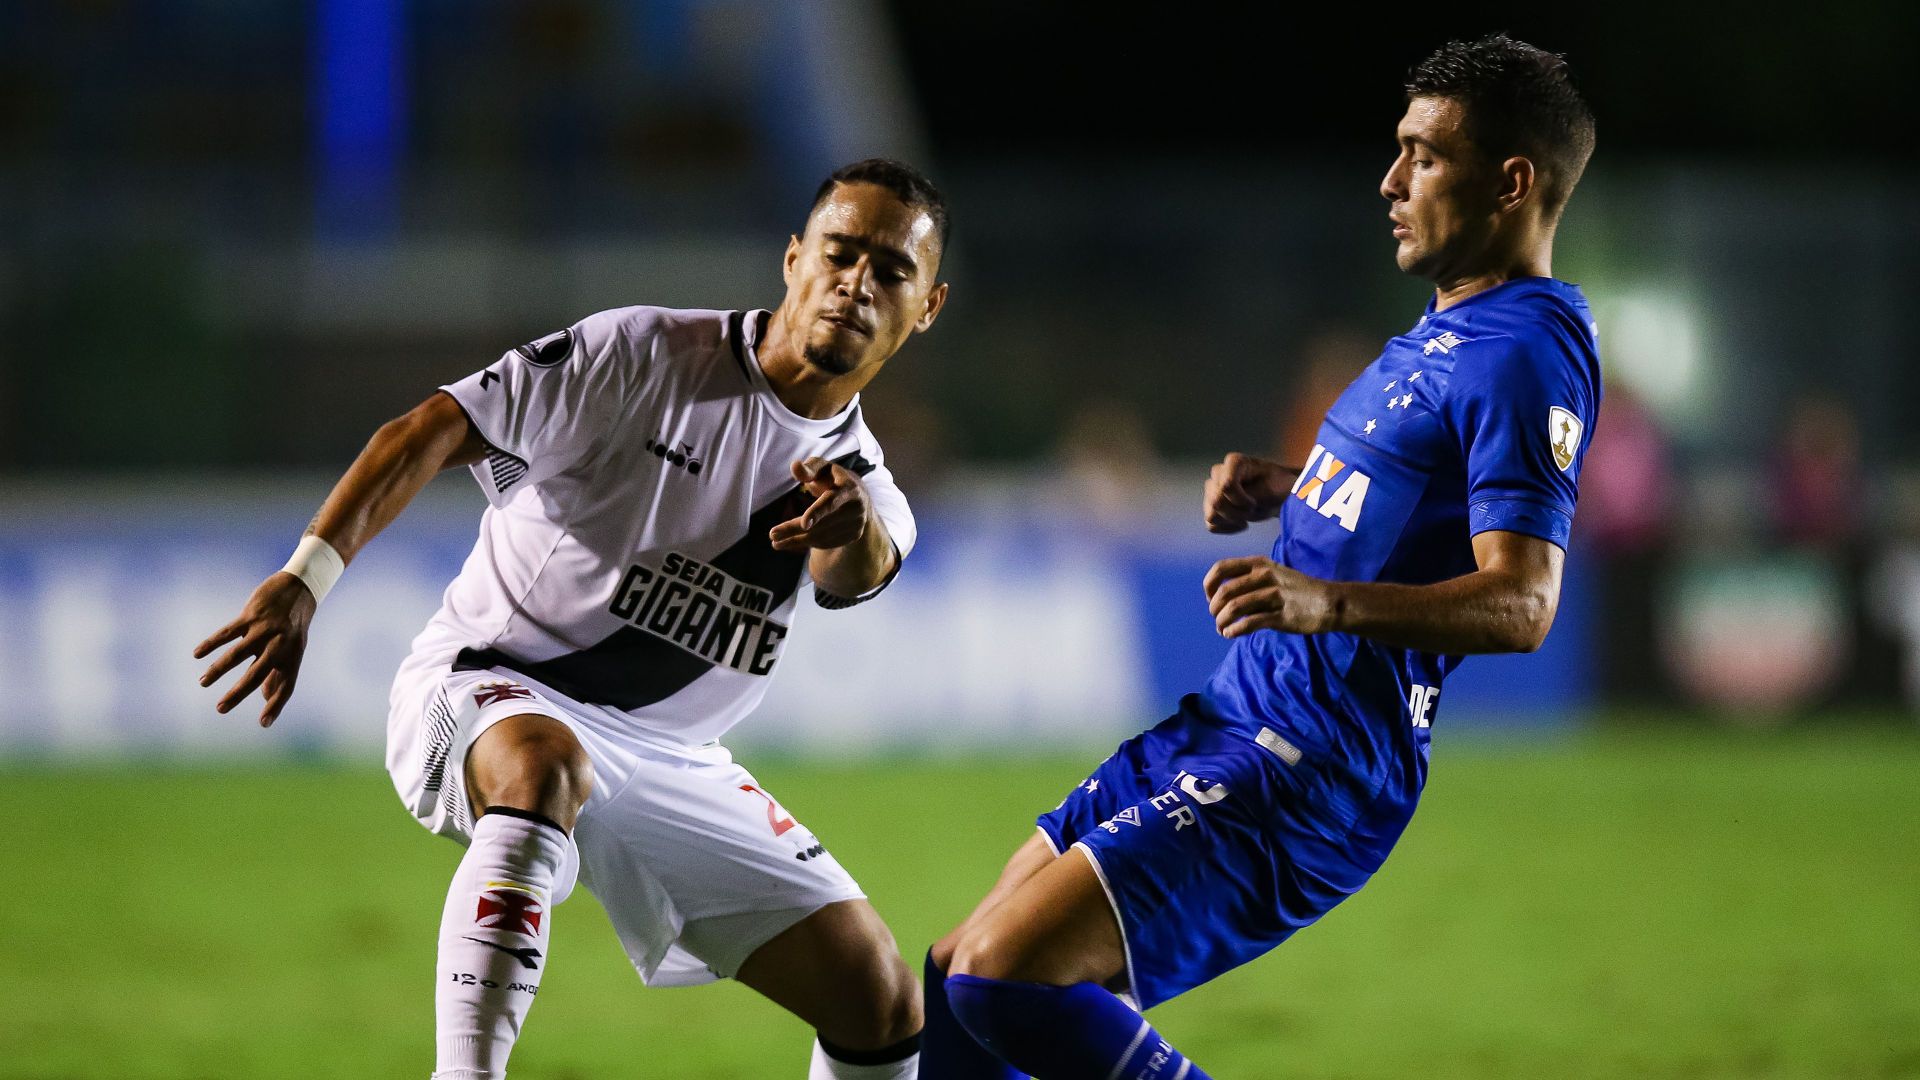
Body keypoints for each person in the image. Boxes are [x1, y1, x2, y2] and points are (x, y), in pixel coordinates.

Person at [921, 36, 1601, 1079]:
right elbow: (1414, 502)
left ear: (1511, 182)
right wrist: (1288, 486)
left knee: (1002, 979)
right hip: (1236, 713)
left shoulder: (1526, 351)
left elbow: (1524, 602)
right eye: (1398, 150)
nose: (1391, 180)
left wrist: (1322, 603)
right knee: (957, 975)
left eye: (1423, 155)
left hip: (1315, 763)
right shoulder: (1443, 330)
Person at [194, 158, 950, 1080]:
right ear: (793, 260)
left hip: (668, 755)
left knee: (880, 996)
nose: (856, 284)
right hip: (486, 681)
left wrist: (854, 525)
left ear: (927, 309)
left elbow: (852, 570)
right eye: (840, 253)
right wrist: (306, 575)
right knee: (548, 760)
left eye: (890, 271)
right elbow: (429, 428)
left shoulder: (869, 490)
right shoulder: (641, 355)